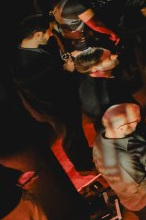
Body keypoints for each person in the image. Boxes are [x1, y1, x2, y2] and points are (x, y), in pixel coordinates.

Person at [12, 15, 95, 173]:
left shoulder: (26, 50)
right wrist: (68, 70)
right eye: (48, 31)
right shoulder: (26, 64)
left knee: (75, 130)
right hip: (55, 107)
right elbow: (46, 88)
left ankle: (84, 153)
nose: (51, 34)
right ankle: (83, 166)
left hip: (59, 102)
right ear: (38, 34)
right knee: (70, 135)